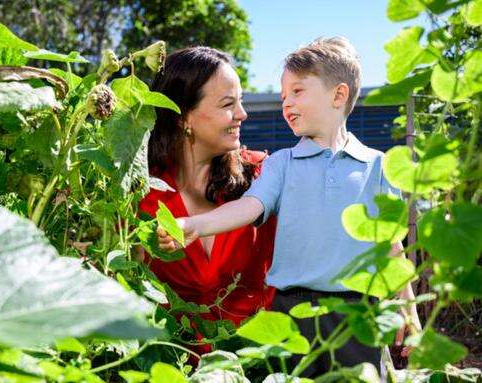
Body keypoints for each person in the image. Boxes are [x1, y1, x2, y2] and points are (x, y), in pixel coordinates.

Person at [157, 37, 422, 377]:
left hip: (359, 311)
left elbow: (389, 244)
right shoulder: (281, 164)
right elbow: (250, 206)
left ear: (338, 96)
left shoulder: (378, 166)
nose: (286, 103)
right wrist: (197, 225)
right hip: (291, 309)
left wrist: (408, 306)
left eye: (297, 92)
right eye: (283, 96)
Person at [138, 46, 276, 330]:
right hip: (170, 363)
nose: (243, 114)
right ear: (183, 117)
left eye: (241, 101)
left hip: (260, 362)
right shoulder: (141, 192)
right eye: (228, 105)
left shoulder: (264, 173)